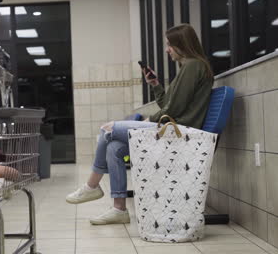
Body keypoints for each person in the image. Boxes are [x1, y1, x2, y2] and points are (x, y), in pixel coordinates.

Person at [65, 24, 214, 225]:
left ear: (182, 44)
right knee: (115, 148)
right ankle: (119, 209)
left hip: (177, 131)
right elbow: (168, 104)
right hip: (172, 127)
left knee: (106, 130)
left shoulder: (193, 66)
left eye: (170, 45)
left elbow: (174, 110)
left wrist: (149, 121)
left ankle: (92, 186)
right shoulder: (188, 68)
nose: (167, 50)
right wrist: (156, 86)